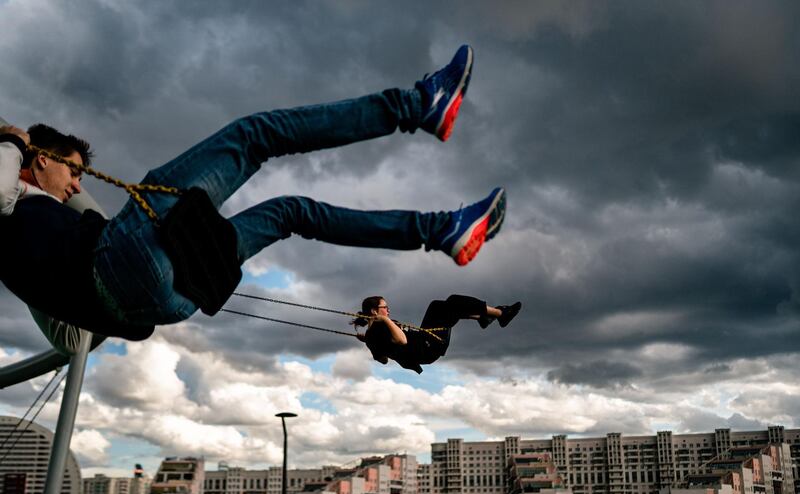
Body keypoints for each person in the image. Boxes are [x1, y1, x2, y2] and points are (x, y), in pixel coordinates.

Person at [0, 45, 509, 341]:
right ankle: (420, 104)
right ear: (41, 159)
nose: (77, 185)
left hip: (171, 303)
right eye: (73, 173)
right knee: (254, 136)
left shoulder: (33, 251)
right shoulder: (13, 202)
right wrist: (11, 139)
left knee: (291, 211)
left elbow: (73, 338)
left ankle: (444, 230)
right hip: (126, 257)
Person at [354, 295, 522, 373]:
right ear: (374, 310)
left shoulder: (372, 337)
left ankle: (484, 317)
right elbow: (402, 340)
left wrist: (369, 342)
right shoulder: (379, 328)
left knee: (442, 307)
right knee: (451, 303)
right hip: (428, 346)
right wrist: (384, 323)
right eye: (385, 307)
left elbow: (382, 360)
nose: (388, 310)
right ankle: (500, 314)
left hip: (424, 341)